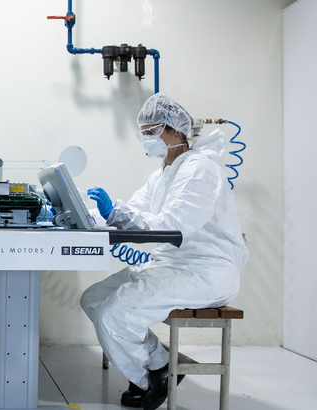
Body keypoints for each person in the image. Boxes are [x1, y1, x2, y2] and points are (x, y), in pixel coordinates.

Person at [81, 93, 249, 410]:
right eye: (144, 132)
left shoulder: (199, 170)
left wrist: (116, 213)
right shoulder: (163, 174)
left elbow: (171, 226)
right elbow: (136, 211)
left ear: (174, 131)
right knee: (92, 298)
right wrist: (89, 213)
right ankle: (159, 361)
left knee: (114, 315)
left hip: (204, 271)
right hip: (171, 265)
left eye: (151, 131)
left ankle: (153, 378)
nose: (146, 139)